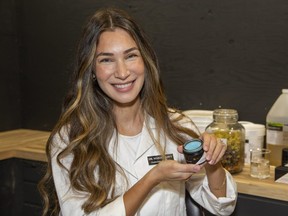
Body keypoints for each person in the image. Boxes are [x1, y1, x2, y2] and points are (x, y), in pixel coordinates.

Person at [39, 7, 237, 216]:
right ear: (92, 71)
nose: (122, 72)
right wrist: (152, 178)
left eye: (131, 56)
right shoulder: (70, 140)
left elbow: (221, 207)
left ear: (145, 61)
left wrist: (213, 163)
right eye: (107, 59)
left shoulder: (176, 126)